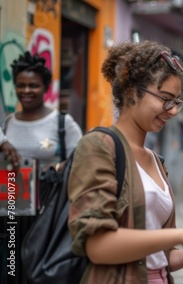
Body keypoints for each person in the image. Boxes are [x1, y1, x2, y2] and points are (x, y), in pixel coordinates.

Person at [67, 40, 183, 284]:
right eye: (165, 99)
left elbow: (156, 257)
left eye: (175, 102)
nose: (173, 111)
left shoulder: (156, 161)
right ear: (132, 92)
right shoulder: (98, 146)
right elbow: (97, 245)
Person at [0, 51, 83, 284]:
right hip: (13, 210)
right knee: (13, 269)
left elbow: (81, 159)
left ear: (46, 87)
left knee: (39, 272)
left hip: (48, 213)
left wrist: (58, 168)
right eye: (21, 85)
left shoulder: (62, 122)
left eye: (33, 85)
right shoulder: (8, 123)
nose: (26, 91)